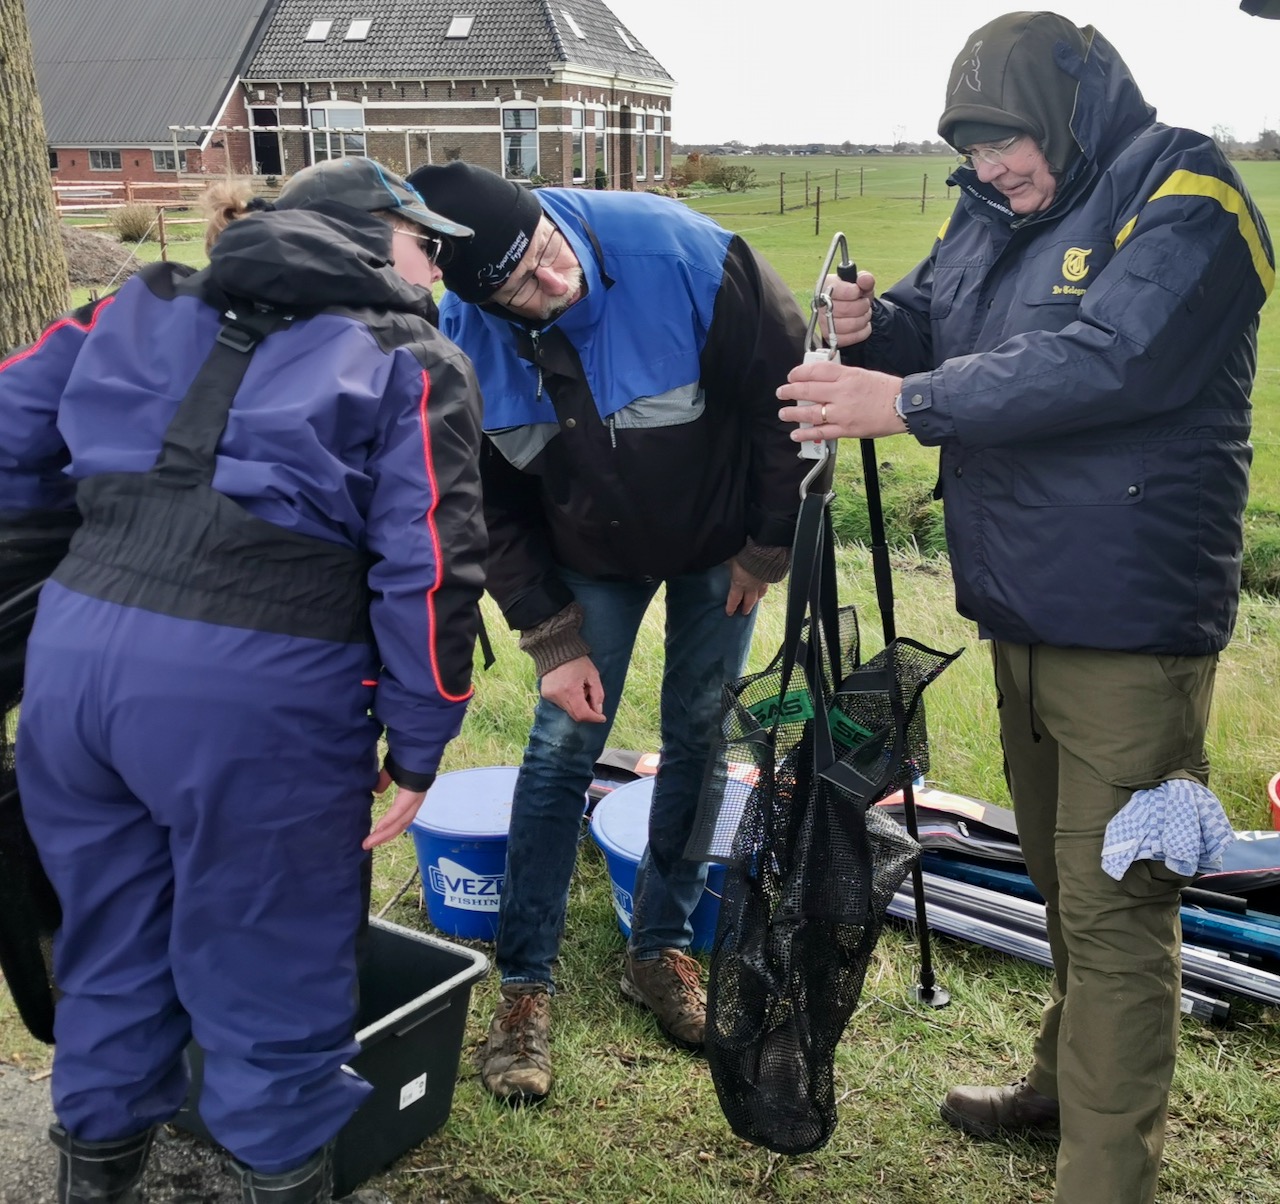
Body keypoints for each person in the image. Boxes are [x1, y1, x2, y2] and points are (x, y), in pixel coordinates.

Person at [778, 12, 1274, 1204]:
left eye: (1003, 140)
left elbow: (1114, 357)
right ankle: (1058, 1086)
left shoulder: (1184, 188)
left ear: (1065, 109)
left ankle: (1103, 1182)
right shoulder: (988, 213)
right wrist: (875, 327)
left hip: (1130, 626)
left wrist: (902, 401)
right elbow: (934, 324)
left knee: (1114, 909)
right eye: (969, 147)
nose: (988, 165)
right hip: (1019, 607)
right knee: (1062, 881)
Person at [0, 157, 488, 1204]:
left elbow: (7, 432)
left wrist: (81, 551)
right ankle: (278, 1170)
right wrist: (420, 738)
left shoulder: (130, 304)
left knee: (107, 935)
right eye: (426, 244)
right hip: (257, 692)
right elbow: (431, 564)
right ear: (369, 238)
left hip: (75, 666)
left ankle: (93, 1176)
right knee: (271, 962)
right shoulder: (408, 357)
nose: (439, 268)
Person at [406, 160, 809, 1103]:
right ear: (483, 303)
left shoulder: (688, 255)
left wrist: (767, 545)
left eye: (546, 249)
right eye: (521, 285)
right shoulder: (461, 342)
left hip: (720, 545)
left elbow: (783, 397)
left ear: (548, 214)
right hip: (587, 549)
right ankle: (524, 982)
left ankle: (660, 949)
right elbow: (484, 502)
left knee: (700, 732)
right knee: (561, 746)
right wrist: (552, 635)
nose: (554, 279)